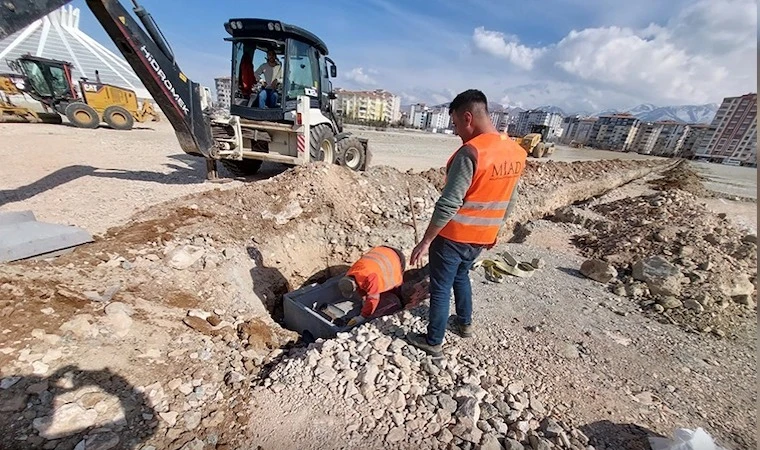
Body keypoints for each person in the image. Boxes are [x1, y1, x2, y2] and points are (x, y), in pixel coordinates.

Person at [408, 89, 526, 357]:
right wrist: (493, 231)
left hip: (453, 237)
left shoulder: (471, 152)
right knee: (462, 276)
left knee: (440, 287)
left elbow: (449, 203)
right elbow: (510, 200)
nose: (457, 131)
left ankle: (433, 341)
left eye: (456, 123)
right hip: (481, 237)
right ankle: (464, 324)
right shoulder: (515, 152)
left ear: (468, 117)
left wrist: (426, 241)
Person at [338, 246, 406, 327]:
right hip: (382, 251)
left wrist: (362, 316)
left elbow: (373, 299)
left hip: (395, 259)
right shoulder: (351, 272)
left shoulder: (370, 278)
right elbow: (359, 285)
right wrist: (363, 297)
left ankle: (401, 304)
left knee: (394, 284)